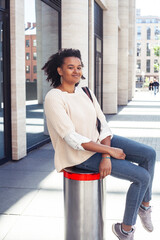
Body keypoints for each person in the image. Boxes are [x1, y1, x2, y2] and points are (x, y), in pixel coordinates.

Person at [43, 48, 156, 240]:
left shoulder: (85, 91)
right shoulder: (54, 97)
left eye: (79, 67)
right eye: (71, 67)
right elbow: (71, 137)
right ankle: (126, 230)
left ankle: (144, 206)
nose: (76, 71)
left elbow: (102, 123)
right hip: (79, 154)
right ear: (60, 70)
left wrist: (106, 155)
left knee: (150, 153)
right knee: (142, 177)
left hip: (99, 144)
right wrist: (108, 150)